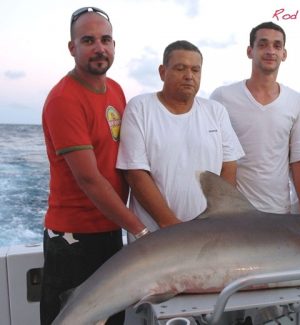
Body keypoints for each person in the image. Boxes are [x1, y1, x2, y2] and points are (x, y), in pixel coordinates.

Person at [40, 7, 149, 325]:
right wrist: (141, 230)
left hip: (110, 230)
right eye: (88, 40)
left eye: (106, 39)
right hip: (73, 237)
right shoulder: (64, 99)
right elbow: (89, 179)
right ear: (72, 48)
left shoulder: (115, 90)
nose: (100, 48)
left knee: (111, 320)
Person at [116, 40, 244, 232]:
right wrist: (169, 224)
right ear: (162, 71)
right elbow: (135, 174)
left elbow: (229, 166)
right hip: (156, 235)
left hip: (208, 233)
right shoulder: (140, 108)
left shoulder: (216, 111)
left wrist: (218, 218)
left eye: (195, 70)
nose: (189, 76)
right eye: (180, 68)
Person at [210, 21, 300, 214]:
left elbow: (299, 157)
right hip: (233, 212)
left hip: (279, 210)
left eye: (277, 45)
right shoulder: (222, 97)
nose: (270, 51)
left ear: (284, 54)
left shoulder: (296, 101)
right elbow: (211, 154)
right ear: (250, 51)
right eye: (263, 44)